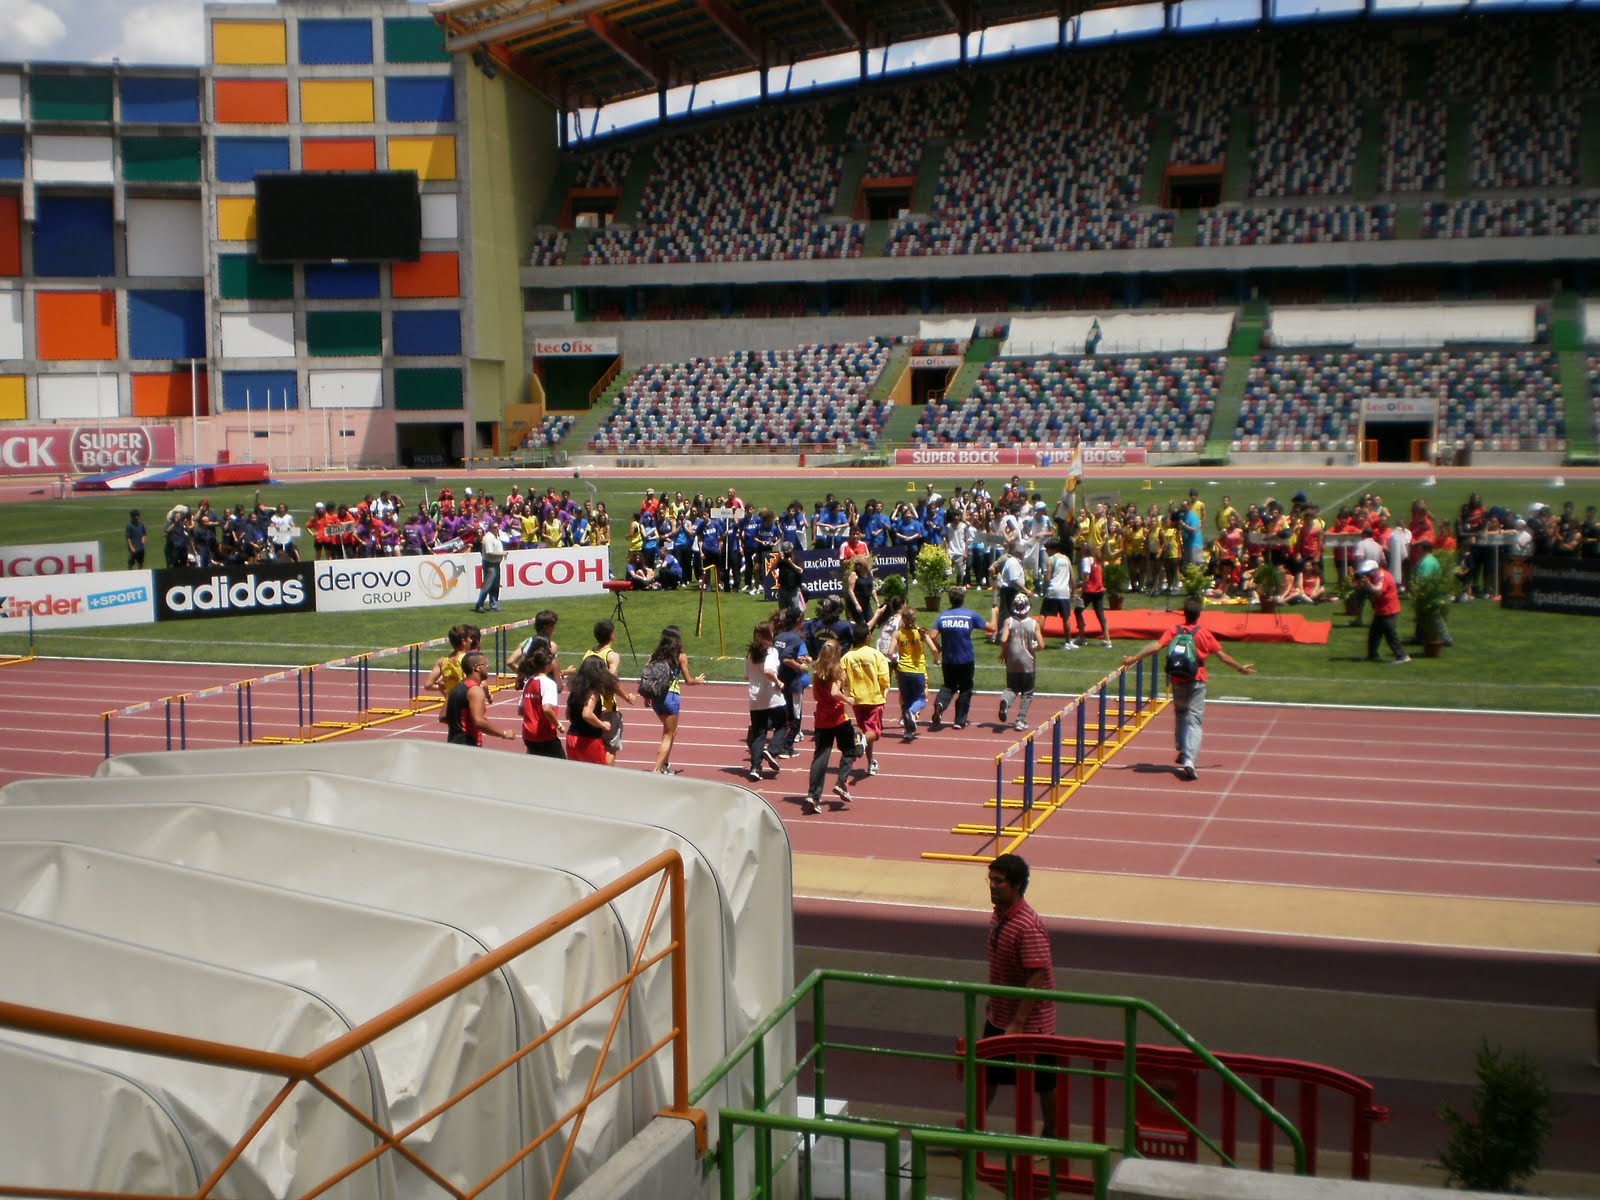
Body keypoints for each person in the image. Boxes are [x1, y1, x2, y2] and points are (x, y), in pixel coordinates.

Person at [1121, 596, 1256, 781]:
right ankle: (1190, 759)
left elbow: (1156, 647)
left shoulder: (1174, 630)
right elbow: (1222, 656)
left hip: (1177, 679)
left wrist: (1134, 659)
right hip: (1197, 679)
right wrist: (1240, 668)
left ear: (1184, 614)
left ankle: (1182, 748)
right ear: (1199, 615)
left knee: (1181, 713)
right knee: (1195, 720)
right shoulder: (1204, 633)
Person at [983, 853, 1058, 1138]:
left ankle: (1051, 1135)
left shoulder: (1028, 926)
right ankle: (971, 1130)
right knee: (987, 1073)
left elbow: (1037, 976)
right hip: (1000, 1015)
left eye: (999, 881)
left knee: (1044, 1082)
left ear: (1016, 885)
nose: (992, 886)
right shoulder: (999, 915)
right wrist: (994, 998)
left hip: (1031, 1023)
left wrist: (1018, 1021)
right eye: (990, 880)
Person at [802, 640, 858, 814]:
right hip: (838, 718)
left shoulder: (817, 671)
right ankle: (842, 782)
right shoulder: (838, 671)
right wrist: (848, 700)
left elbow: (815, 695)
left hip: (821, 719)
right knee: (850, 750)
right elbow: (834, 692)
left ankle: (813, 795)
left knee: (821, 757)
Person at [928, 587, 994, 731]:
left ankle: (940, 704)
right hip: (966, 659)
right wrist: (995, 614)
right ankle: (959, 720)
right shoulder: (970, 615)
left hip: (948, 659)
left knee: (948, 686)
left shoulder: (942, 616)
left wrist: (939, 648)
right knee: (966, 689)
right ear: (963, 599)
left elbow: (932, 636)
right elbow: (992, 628)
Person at [646, 625, 704, 776]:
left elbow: (647, 674)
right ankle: (657, 769)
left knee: (672, 731)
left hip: (657, 699)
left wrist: (647, 696)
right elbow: (688, 680)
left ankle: (665, 765)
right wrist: (697, 680)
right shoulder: (680, 656)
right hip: (671, 697)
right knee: (668, 734)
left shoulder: (655, 655)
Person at [582, 618, 636, 765]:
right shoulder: (612, 656)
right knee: (610, 747)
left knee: (592, 744)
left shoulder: (588, 654)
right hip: (607, 707)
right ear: (612, 634)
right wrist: (627, 697)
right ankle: (606, 775)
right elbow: (611, 682)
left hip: (590, 705)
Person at [841, 622, 891, 778]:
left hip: (857, 700)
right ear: (868, 637)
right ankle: (862, 740)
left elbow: (842, 680)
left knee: (866, 732)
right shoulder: (877, 655)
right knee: (874, 733)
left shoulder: (847, 657)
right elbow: (884, 680)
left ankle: (870, 762)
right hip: (874, 699)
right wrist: (885, 693)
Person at [444, 651, 517, 746]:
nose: (488, 667)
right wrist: (504, 734)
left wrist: (459, 723)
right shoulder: (475, 690)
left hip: (452, 743)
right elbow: (479, 722)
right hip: (468, 745)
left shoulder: (455, 688)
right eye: (485, 664)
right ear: (477, 667)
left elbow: (443, 716)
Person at [744, 621, 786, 782]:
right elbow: (768, 670)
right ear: (770, 635)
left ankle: (755, 767)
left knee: (759, 734)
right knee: (782, 725)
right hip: (772, 696)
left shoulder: (751, 654)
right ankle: (772, 750)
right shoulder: (771, 651)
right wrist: (778, 681)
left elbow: (747, 676)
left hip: (755, 699)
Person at [997, 595, 1042, 732]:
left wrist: (1004, 652)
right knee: (1027, 692)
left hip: (1012, 662)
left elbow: (1003, 639)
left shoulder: (1008, 621)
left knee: (1011, 688)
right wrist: (1033, 649)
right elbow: (1041, 644)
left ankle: (1006, 701)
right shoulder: (1034, 624)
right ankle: (1021, 720)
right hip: (1028, 663)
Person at [772, 607, 811, 758]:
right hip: (792, 683)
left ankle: (772, 737)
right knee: (795, 716)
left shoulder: (778, 637)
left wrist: (797, 659)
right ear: (798, 621)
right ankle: (786, 747)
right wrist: (799, 666)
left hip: (779, 680)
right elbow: (786, 658)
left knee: (782, 714)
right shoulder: (795, 638)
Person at [895, 606, 938, 739]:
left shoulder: (898, 633)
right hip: (918, 670)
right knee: (921, 699)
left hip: (903, 670)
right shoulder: (921, 633)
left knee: (906, 701)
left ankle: (908, 731)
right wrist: (936, 660)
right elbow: (934, 649)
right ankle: (912, 712)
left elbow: (890, 652)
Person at [1355, 559, 1410, 665]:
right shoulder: (1374, 576)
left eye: (1368, 572)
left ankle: (1402, 656)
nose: (1366, 575)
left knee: (1390, 634)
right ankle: (1372, 655)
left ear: (1375, 570)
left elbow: (1378, 591)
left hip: (1389, 610)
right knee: (1374, 633)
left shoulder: (1382, 577)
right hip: (1381, 609)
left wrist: (1367, 584)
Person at [565, 656, 617, 764]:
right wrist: (603, 725)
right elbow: (587, 714)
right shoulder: (593, 692)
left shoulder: (575, 690)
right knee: (597, 771)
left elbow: (568, 714)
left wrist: (597, 711)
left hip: (572, 736)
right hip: (589, 740)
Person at [517, 646, 565, 758]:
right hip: (544, 734)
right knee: (561, 764)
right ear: (548, 665)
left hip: (528, 734)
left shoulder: (529, 682)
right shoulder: (548, 684)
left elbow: (520, 710)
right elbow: (547, 708)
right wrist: (558, 725)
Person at [1041, 539, 1076, 650]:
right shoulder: (1066, 559)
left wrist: (1044, 588)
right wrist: (1073, 592)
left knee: (1043, 615)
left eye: (1047, 549)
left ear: (1053, 549)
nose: (1046, 552)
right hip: (1064, 592)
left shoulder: (1051, 559)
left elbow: (1048, 577)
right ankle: (1068, 642)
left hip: (1053, 590)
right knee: (1066, 618)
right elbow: (1072, 577)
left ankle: (1036, 639)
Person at [473, 524, 505, 613]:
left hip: (496, 563)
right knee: (487, 585)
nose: (497, 529)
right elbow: (489, 552)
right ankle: (479, 604)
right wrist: (502, 553)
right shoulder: (488, 538)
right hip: (490, 563)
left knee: (495, 586)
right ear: (490, 528)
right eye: (495, 527)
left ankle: (494, 605)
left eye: (498, 527)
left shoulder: (495, 537)